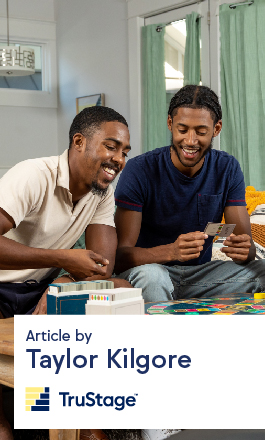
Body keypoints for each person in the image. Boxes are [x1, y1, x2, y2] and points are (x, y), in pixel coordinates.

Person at [0, 106, 132, 440]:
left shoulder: (101, 190)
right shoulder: (33, 175)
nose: (119, 159)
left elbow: (102, 264)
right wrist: (63, 258)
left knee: (119, 288)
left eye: (125, 152)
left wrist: (65, 277)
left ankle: (92, 421)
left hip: (39, 288)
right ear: (78, 142)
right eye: (111, 146)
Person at [114, 85, 265, 303]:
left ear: (217, 128)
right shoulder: (139, 170)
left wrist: (243, 249)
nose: (190, 141)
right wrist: (171, 252)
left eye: (201, 132)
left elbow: (245, 249)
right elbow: (119, 257)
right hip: (149, 271)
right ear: (170, 124)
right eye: (182, 130)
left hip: (199, 276)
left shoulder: (227, 168)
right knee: (152, 277)